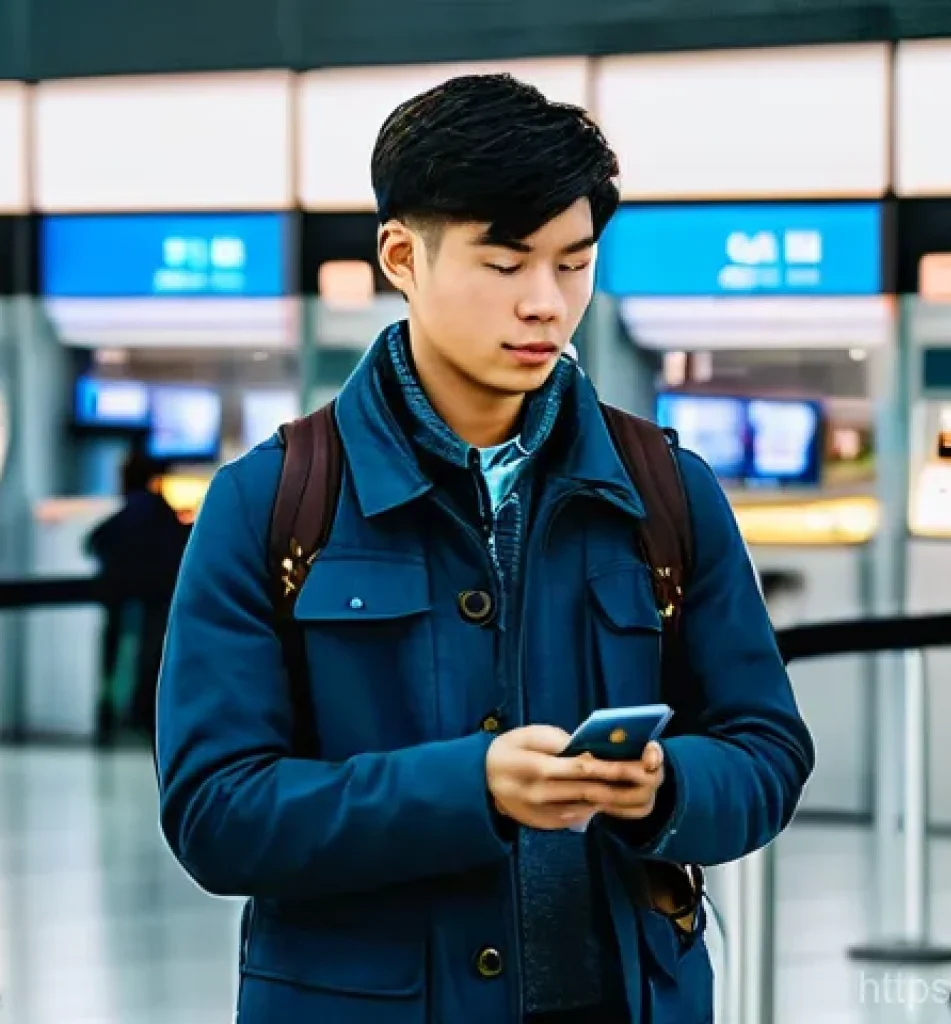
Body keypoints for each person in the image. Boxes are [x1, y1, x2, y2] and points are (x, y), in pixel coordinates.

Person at [155, 73, 815, 1024]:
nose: (546, 303)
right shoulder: (268, 500)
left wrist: (665, 788)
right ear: (401, 256)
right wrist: (471, 787)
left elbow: (768, 748)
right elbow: (217, 812)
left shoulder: (667, 489)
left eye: (573, 264)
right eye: (506, 266)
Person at [87, 449, 190, 743]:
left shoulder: (128, 513)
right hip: (158, 597)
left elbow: (95, 541)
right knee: (151, 654)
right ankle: (143, 716)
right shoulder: (162, 513)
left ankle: (111, 715)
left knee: (117, 654)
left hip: (122, 597)